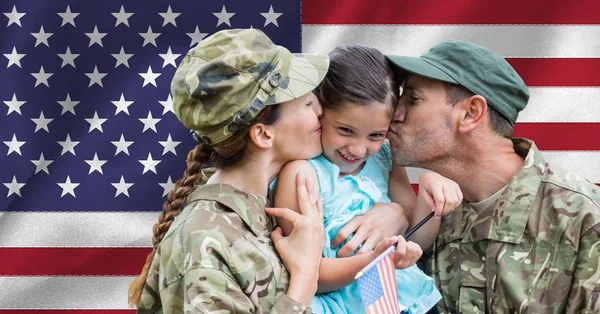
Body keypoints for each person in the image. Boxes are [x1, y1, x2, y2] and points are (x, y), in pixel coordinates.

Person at [385, 40, 600, 313]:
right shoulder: (429, 216)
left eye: (413, 99)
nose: (394, 113)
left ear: (471, 113)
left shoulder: (584, 218)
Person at [127, 28, 331, 313]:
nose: (321, 110)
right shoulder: (203, 240)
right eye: (308, 103)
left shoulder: (267, 204)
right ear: (262, 135)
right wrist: (305, 280)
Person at [272, 46, 463, 314]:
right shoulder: (302, 175)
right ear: (320, 112)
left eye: (375, 135)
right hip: (349, 306)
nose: (359, 150)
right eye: (346, 130)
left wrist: (430, 195)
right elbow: (307, 273)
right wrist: (375, 260)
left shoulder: (383, 157)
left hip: (405, 301)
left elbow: (416, 237)